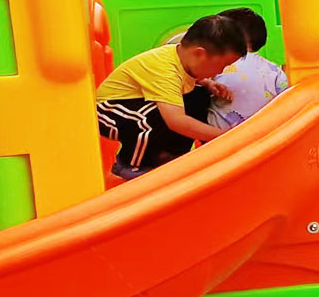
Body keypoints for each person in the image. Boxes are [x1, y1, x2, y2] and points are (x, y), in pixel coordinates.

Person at [96, 14, 245, 179]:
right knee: (150, 117)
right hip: (108, 111)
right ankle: (129, 165)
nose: (221, 71)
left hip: (136, 103)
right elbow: (176, 121)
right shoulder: (164, 70)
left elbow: (184, 79)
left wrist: (207, 83)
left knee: (198, 96)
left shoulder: (181, 58)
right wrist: (223, 136)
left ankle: (168, 156)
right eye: (223, 65)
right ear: (199, 54)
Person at [204, 8, 289, 130]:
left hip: (220, 135)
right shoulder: (275, 71)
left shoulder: (218, 62)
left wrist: (207, 84)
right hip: (264, 134)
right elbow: (285, 101)